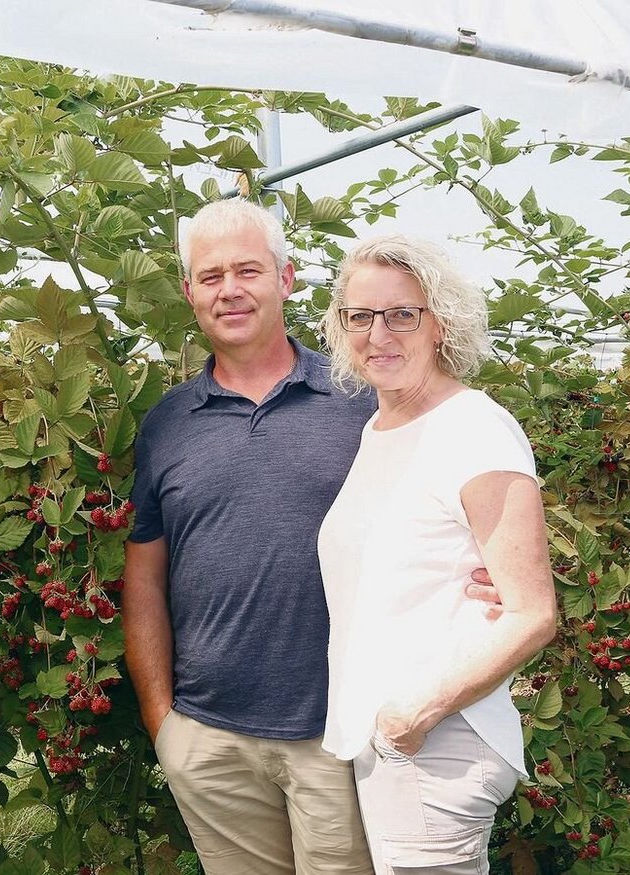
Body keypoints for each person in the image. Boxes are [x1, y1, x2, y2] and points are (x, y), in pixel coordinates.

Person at [123, 200, 498, 875]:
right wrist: (164, 721)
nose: (229, 290)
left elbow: (449, 498)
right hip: (209, 740)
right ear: (188, 292)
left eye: (248, 270)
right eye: (210, 277)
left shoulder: (361, 396)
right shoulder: (168, 423)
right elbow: (145, 575)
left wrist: (485, 571)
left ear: (287, 278)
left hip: (343, 733)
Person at [316, 234, 557, 875]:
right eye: (360, 316)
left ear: (441, 321)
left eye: (402, 314)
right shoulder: (379, 428)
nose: (379, 333)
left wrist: (413, 716)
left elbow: (533, 612)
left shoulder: (472, 427)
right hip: (395, 740)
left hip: (435, 737)